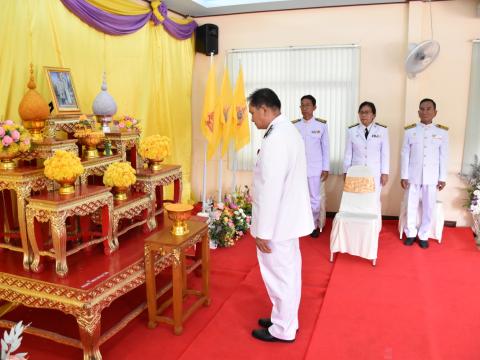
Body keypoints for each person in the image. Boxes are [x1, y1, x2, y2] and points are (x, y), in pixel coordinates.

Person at [249, 88, 313, 343]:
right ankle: (284, 318)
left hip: (277, 222)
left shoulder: (276, 137)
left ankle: (282, 329)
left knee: (280, 275)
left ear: (265, 109)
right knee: (288, 273)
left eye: (254, 113)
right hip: (286, 218)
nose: (253, 119)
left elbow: (270, 187)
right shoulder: (286, 130)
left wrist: (262, 231)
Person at [401, 98, 449, 249]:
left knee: (429, 206)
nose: (425, 111)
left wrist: (442, 177)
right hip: (413, 174)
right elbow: (404, 154)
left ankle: (423, 234)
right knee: (411, 204)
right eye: (422, 109)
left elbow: (444, 155)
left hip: (432, 175)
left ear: (435, 112)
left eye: (429, 109)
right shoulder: (410, 130)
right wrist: (404, 175)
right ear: (418, 112)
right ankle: (410, 233)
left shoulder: (442, 132)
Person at [292, 95, 329, 237]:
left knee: (314, 198)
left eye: (307, 105)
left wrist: (326, 168)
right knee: (298, 197)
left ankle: (313, 224)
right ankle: (300, 223)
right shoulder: (294, 125)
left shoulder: (321, 125)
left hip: (315, 169)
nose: (304, 108)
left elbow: (326, 148)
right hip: (298, 169)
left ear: (314, 107)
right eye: (302, 105)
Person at [343, 101, 390, 205]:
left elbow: (385, 153)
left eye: (367, 112)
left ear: (373, 115)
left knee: (374, 200)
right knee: (357, 200)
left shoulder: (382, 130)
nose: (364, 115)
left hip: (374, 172)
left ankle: (375, 222)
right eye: (361, 112)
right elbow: (348, 153)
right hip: (356, 171)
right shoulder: (352, 130)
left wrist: (385, 173)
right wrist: (346, 172)